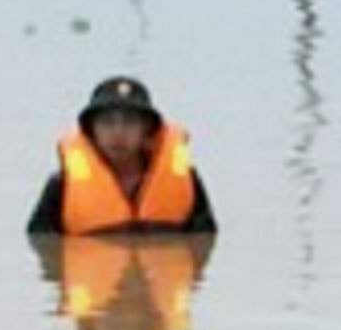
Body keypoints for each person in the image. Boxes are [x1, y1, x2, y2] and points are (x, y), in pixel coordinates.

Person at [30, 73, 217, 236]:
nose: (118, 133)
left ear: (147, 130)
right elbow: (43, 248)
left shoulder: (187, 179)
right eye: (107, 122)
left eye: (130, 122)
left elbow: (203, 243)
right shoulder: (61, 184)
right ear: (91, 132)